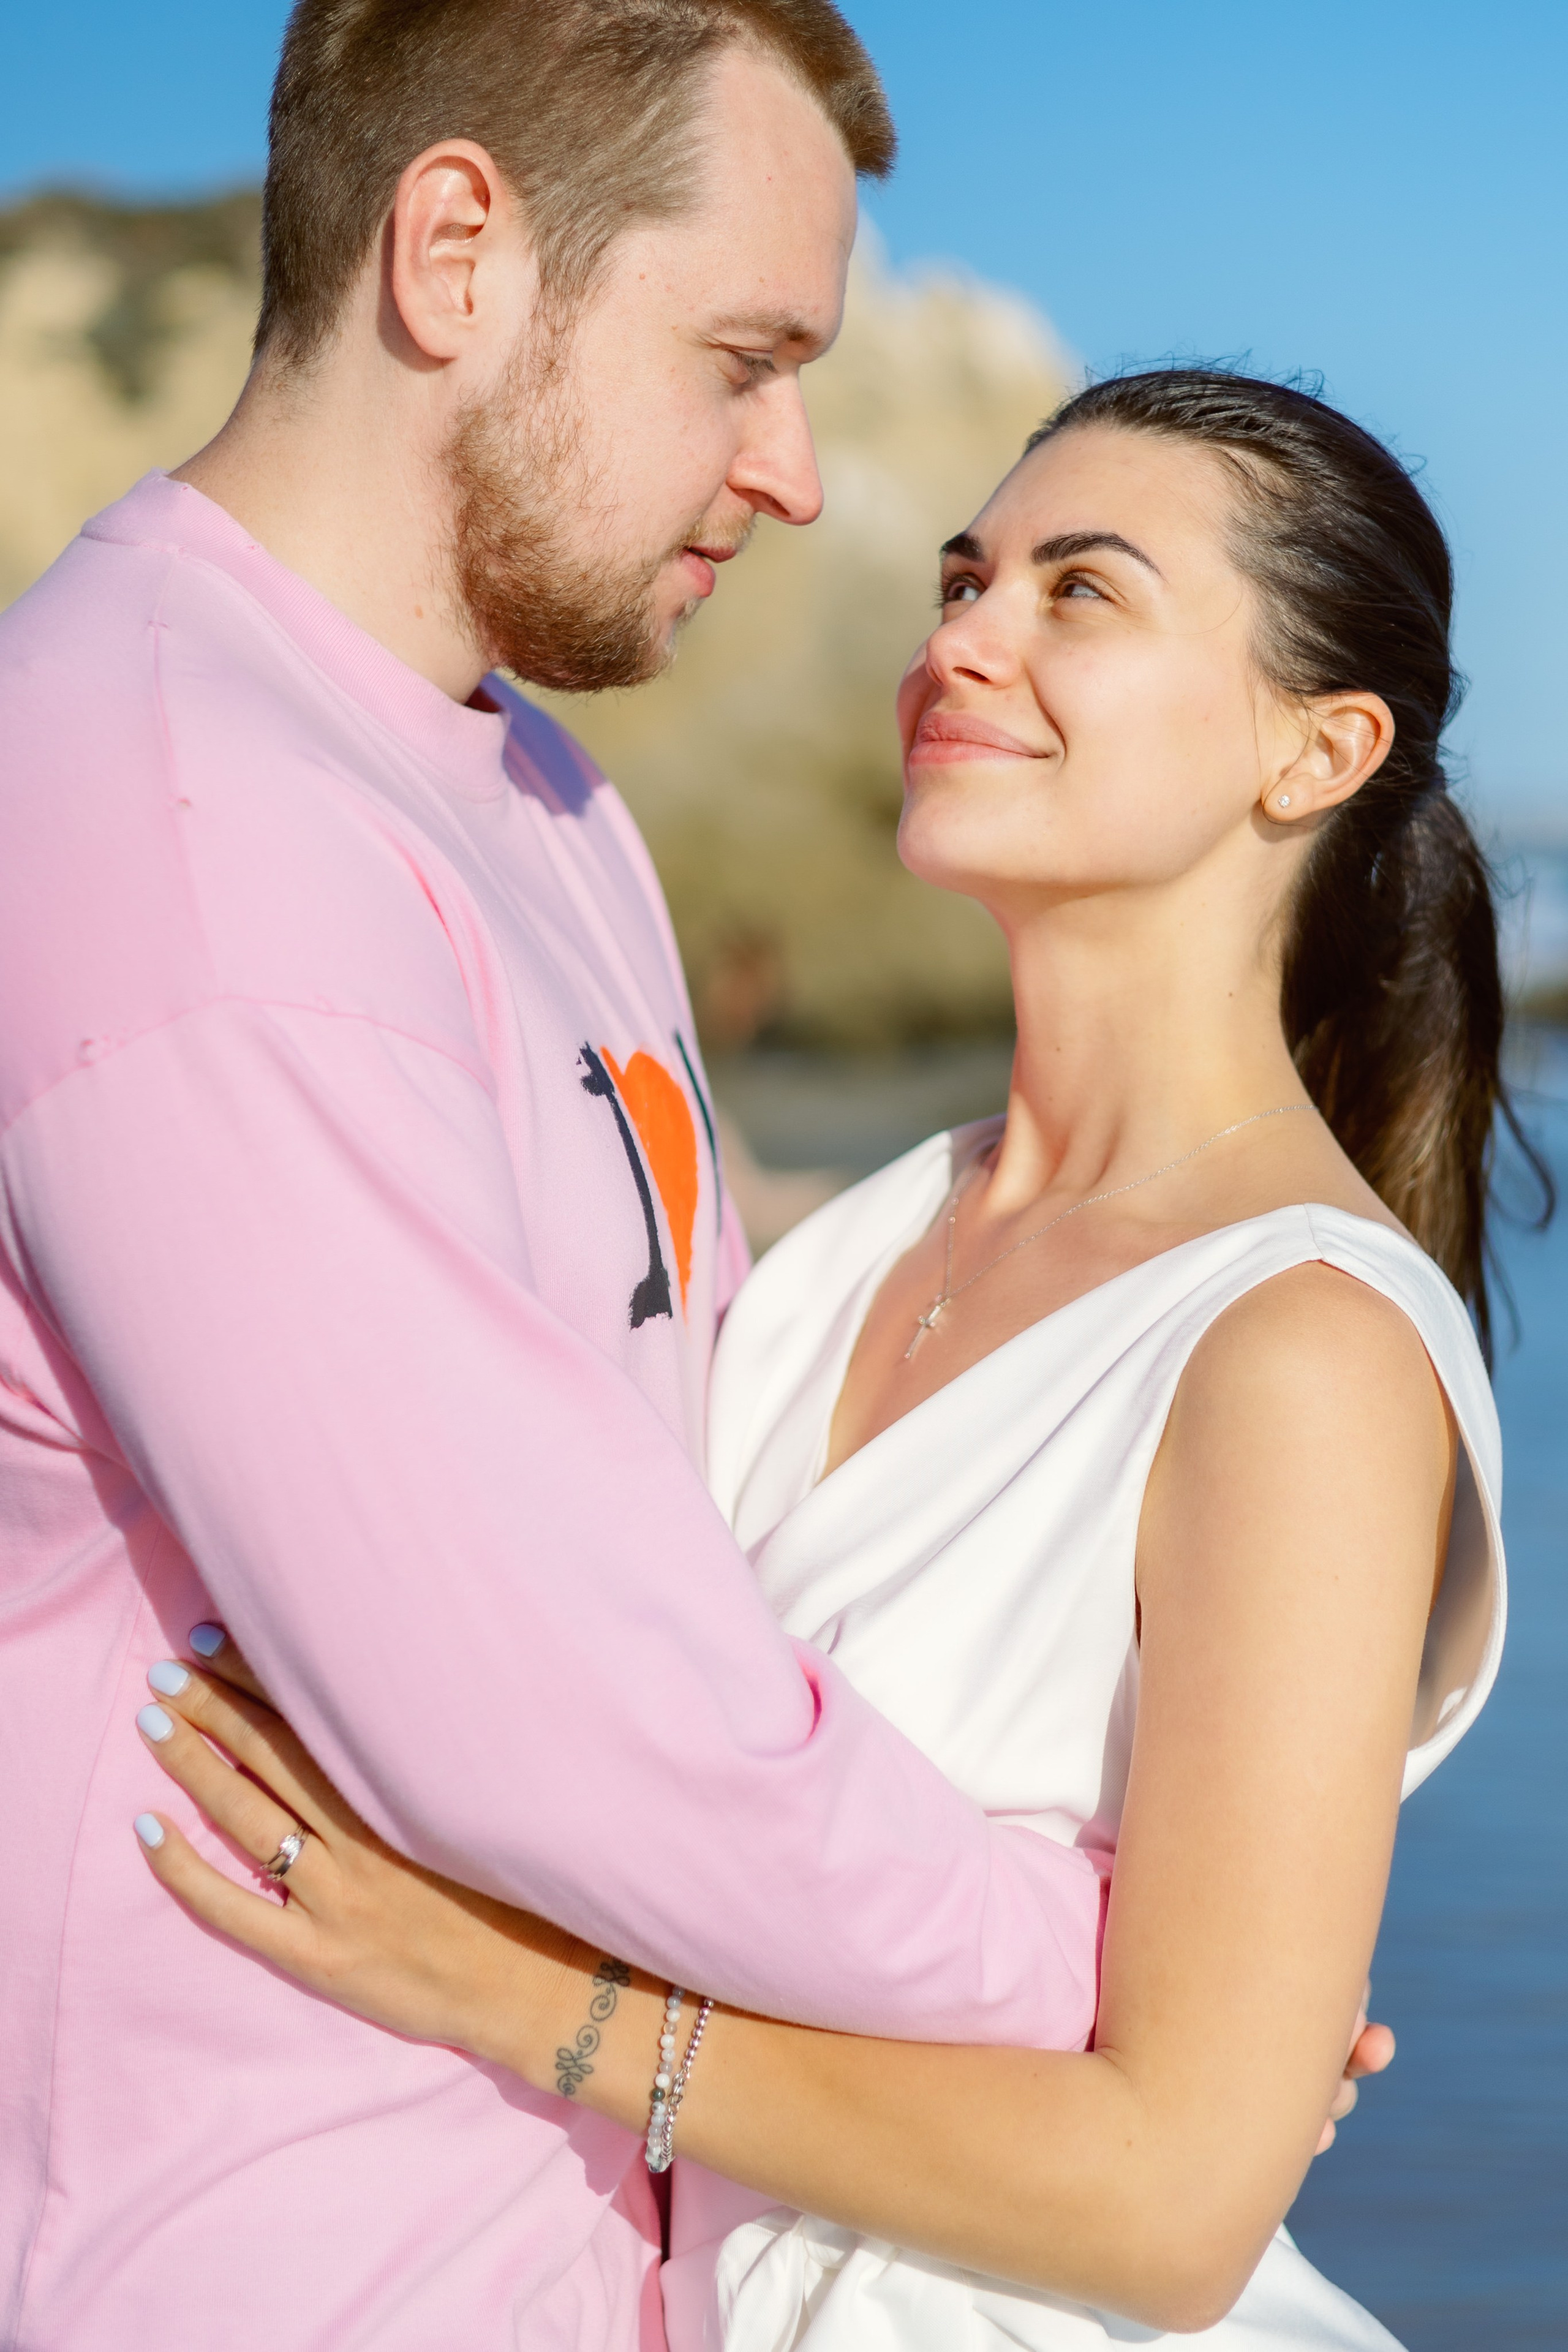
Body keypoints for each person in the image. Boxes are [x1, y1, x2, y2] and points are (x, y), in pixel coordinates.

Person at [127, 368, 1529, 2350]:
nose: (963, 634)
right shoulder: (829, 1250)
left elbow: (1177, 2209)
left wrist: (506, 1996)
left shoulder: (1300, 1349)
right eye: (969, 577)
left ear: (1319, 751)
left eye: (1081, 594)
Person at [0, 7, 1129, 2348]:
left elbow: (672, 1495)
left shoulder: (524, 790)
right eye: (742, 356)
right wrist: (1120, 1970)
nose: (799, 469)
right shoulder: (182, 816)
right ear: (453, 252)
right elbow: (560, 1705)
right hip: (267, 2267)